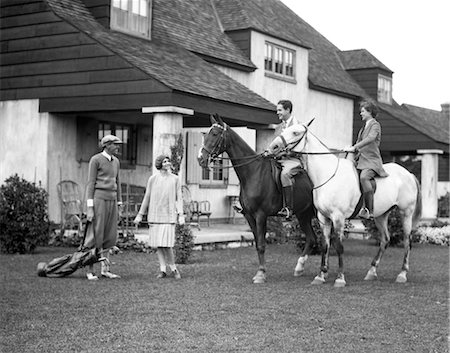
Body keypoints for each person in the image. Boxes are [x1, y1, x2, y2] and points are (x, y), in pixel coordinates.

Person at [133, 155, 184, 280]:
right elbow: (147, 197)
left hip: (169, 215)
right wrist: (140, 214)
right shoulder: (153, 179)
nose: (167, 163)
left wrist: (181, 214)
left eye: (168, 161)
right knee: (159, 245)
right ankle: (162, 270)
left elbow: (179, 198)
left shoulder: (175, 179)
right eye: (164, 161)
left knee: (167, 244)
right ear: (159, 164)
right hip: (155, 215)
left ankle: (173, 268)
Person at [84, 134, 123, 280]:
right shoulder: (95, 160)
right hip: (99, 200)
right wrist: (90, 208)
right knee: (96, 235)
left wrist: (119, 203)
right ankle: (90, 270)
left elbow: (117, 182)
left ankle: (105, 269)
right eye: (115, 144)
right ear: (107, 145)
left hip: (112, 201)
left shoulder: (116, 162)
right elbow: (90, 183)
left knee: (110, 235)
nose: (118, 147)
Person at [343, 99, 388, 219]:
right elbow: (358, 143)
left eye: (363, 111)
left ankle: (369, 210)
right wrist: (350, 149)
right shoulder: (363, 128)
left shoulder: (375, 125)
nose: (361, 113)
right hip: (360, 160)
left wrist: (355, 146)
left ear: (369, 112)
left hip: (371, 161)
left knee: (364, 177)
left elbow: (371, 138)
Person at [272, 100, 302, 219]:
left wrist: (283, 153)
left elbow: (299, 147)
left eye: (279, 110)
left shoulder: (298, 127)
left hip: (293, 160)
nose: (277, 112)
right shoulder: (279, 128)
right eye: (277, 110)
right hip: (278, 159)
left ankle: (288, 208)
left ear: (288, 110)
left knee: (284, 175)